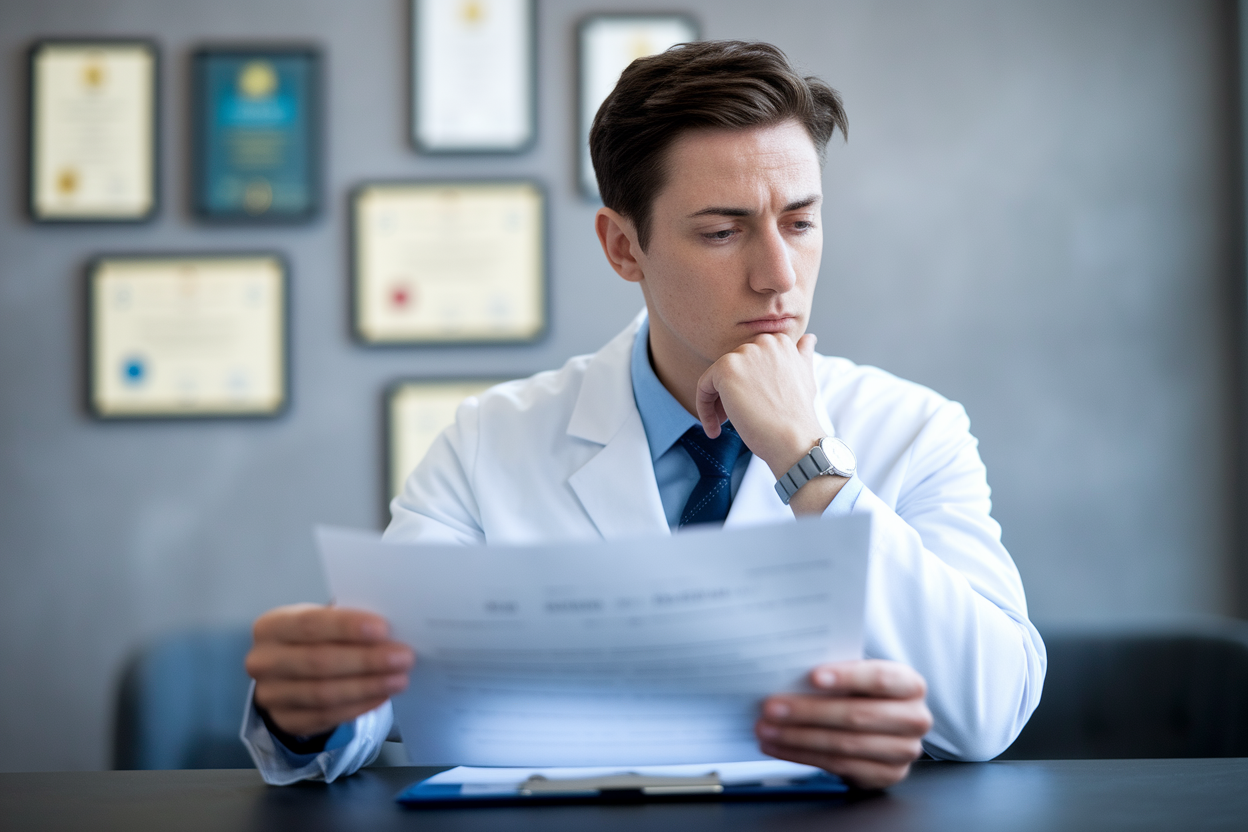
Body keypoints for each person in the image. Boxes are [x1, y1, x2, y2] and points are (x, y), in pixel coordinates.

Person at [241, 40, 1046, 789]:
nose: (778, 276)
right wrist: (309, 709)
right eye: (725, 231)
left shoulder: (915, 429)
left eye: (800, 222)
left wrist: (809, 464)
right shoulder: (490, 441)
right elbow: (382, 689)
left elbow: (989, 708)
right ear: (624, 247)